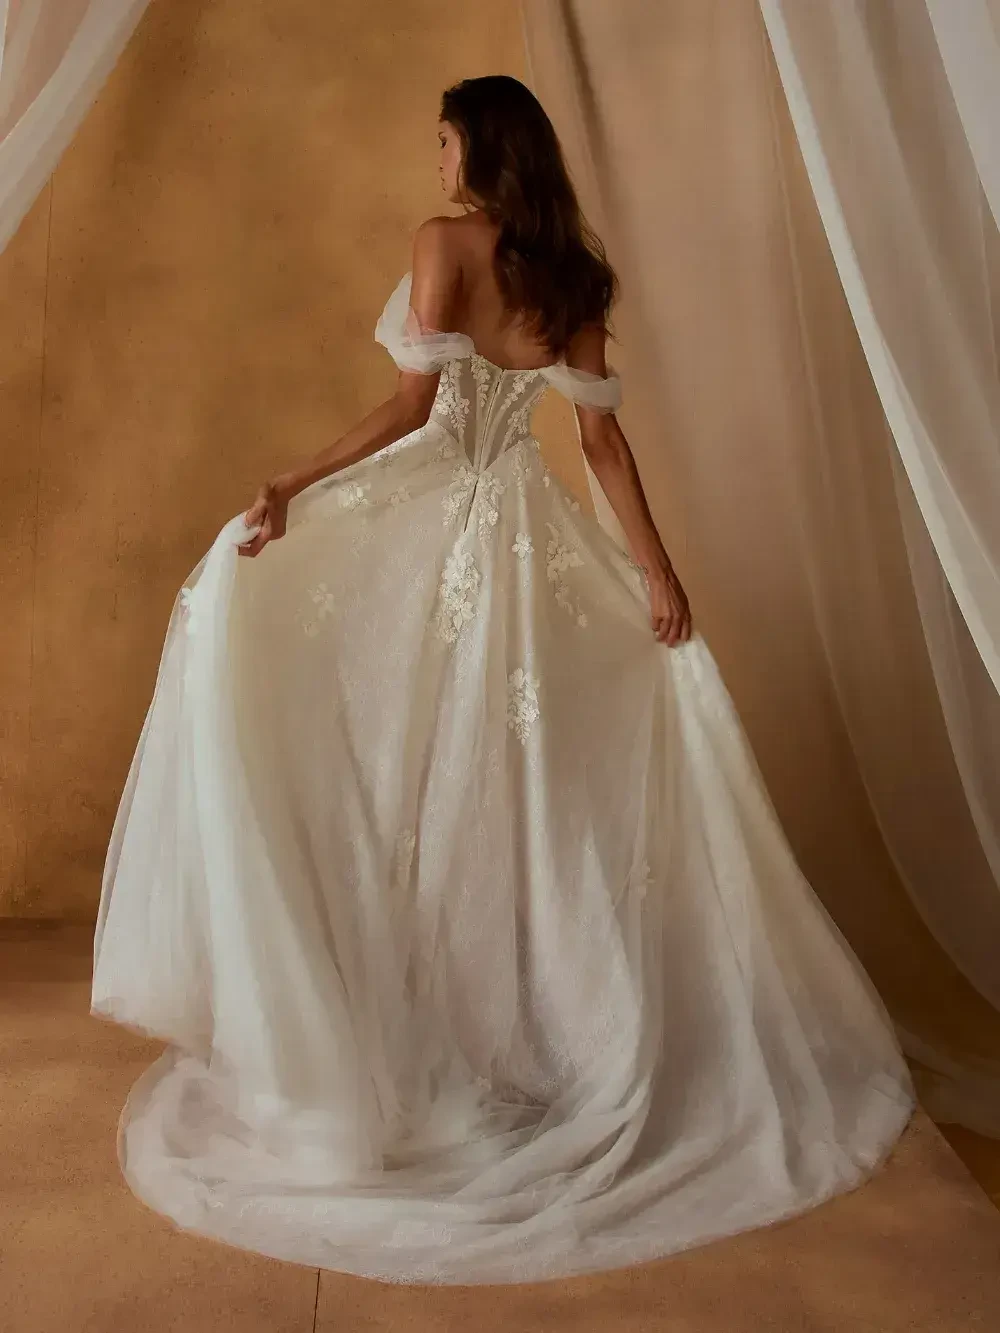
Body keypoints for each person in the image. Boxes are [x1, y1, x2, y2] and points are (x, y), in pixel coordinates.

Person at [91, 75, 915, 1286]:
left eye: (443, 139)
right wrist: (656, 573)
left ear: (479, 146)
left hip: (435, 533)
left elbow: (413, 406)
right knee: (515, 798)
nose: (435, 158)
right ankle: (512, 1040)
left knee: (410, 775)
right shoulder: (574, 275)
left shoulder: (442, 244)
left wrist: (292, 482)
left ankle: (445, 1040)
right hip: (529, 546)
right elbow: (599, 442)